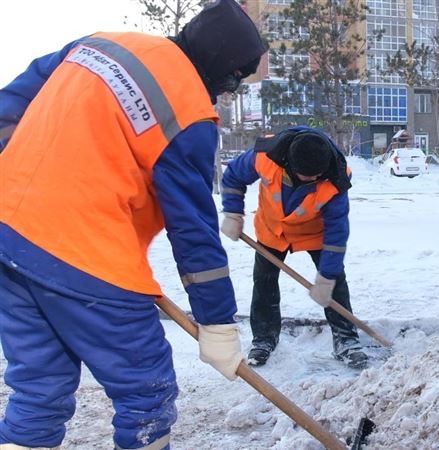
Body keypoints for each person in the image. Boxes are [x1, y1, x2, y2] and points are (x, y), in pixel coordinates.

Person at [0, 1, 266, 448]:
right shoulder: (190, 115)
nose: (230, 89)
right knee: (146, 389)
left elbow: (11, 104)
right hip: (84, 253)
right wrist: (217, 322)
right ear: (224, 67)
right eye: (235, 78)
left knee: (39, 384)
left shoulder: (101, 46)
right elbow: (194, 230)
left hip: (7, 230)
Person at [220, 126, 369, 370]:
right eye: (305, 176)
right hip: (272, 229)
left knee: (336, 285)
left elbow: (337, 233)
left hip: (315, 233)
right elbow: (234, 175)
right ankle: (264, 339)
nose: (311, 180)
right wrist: (233, 212)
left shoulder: (337, 179)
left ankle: (346, 340)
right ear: (289, 162)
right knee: (264, 282)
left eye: (316, 176)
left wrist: (326, 277)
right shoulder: (265, 155)